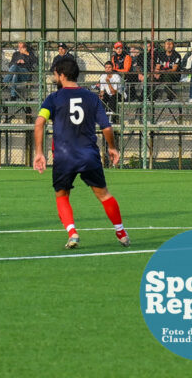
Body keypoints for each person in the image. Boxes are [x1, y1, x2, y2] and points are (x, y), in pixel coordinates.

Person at [33, 57, 128, 249]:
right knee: (104, 194)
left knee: (61, 195)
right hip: (88, 155)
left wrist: (39, 152)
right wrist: (112, 147)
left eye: (54, 73)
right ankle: (121, 233)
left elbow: (39, 122)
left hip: (63, 156)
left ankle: (72, 232)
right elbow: (107, 127)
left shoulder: (53, 99)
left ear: (61, 74)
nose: (54, 77)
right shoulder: (91, 97)